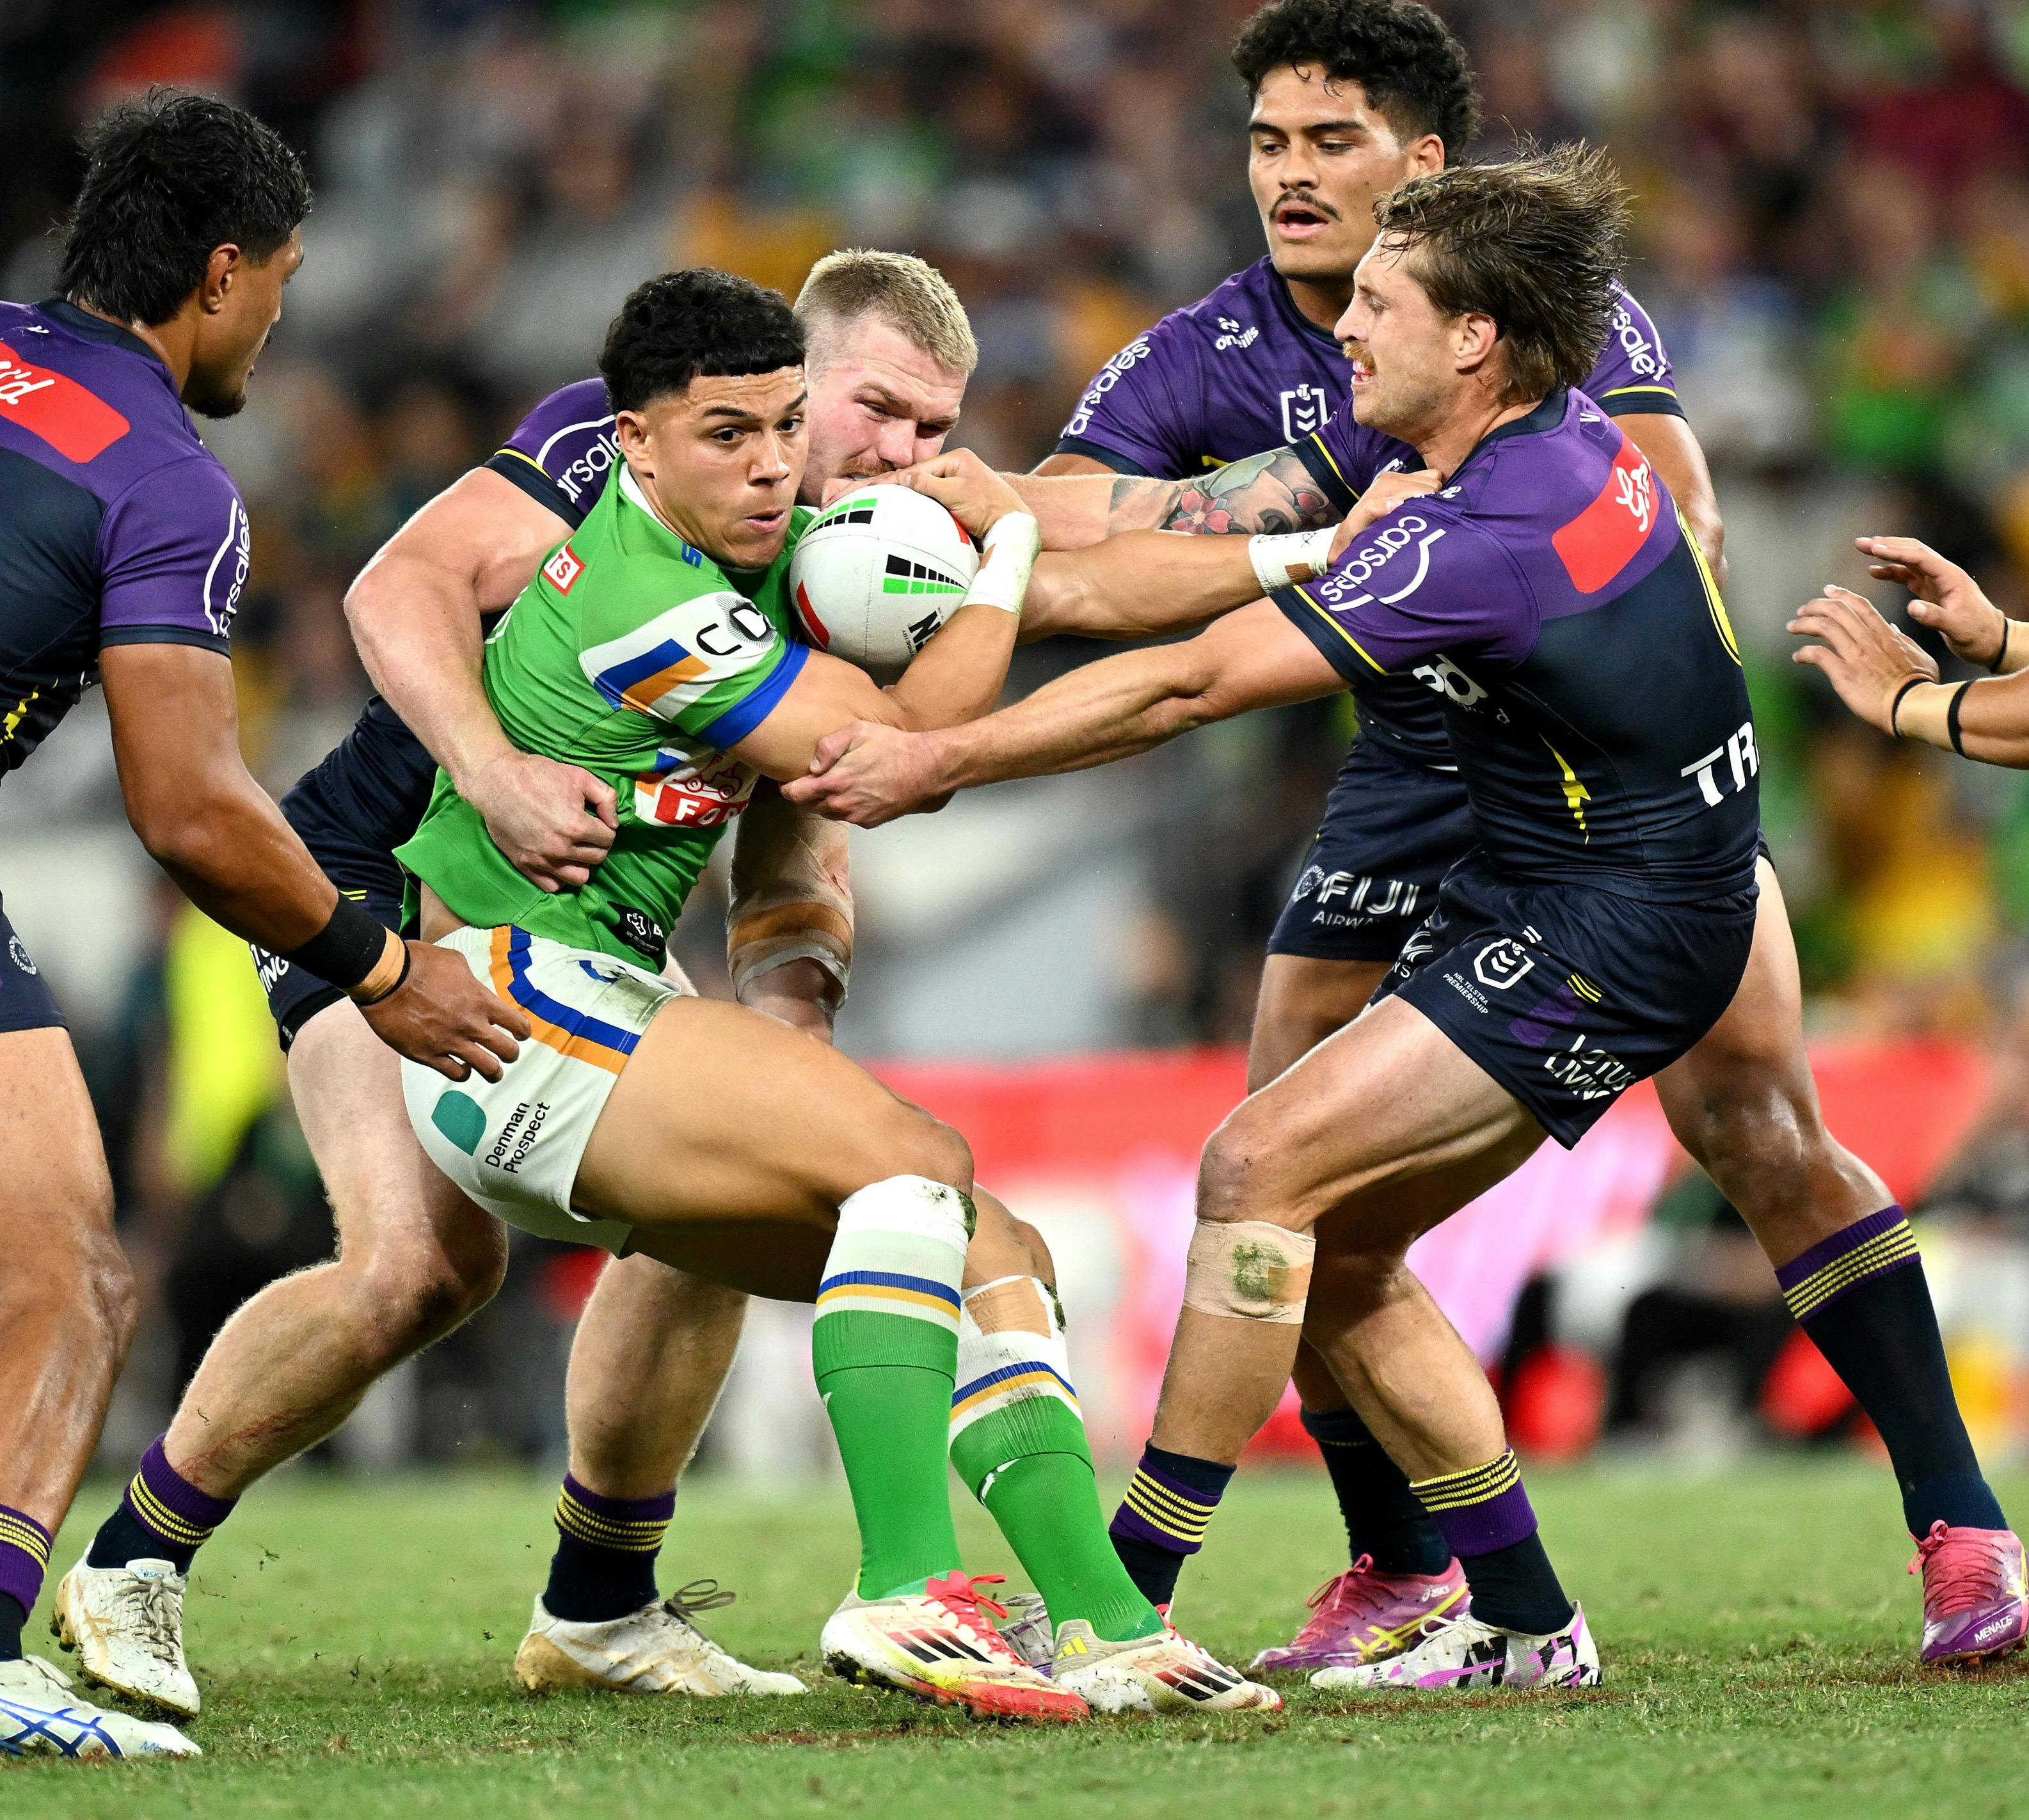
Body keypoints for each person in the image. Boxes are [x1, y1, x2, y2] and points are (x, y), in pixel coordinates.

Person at [797, 1, 2026, 1678]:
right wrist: (1095, 527)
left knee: (1718, 1128)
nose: (1289, 180)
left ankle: (1137, 1587)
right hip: (1432, 760)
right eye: (1264, 143)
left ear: (1422, 175)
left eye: (1329, 145)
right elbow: (1063, 543)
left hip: (1598, 791)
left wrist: (957, 731)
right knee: (1300, 1174)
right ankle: (1420, 1570)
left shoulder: (1522, 337)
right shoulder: (1224, 353)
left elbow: (1196, 645)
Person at [56, 249, 979, 1721]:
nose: (902, 459)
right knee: (414, 1268)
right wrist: (489, 772)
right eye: (876, 412)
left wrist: (790, 982)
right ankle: (131, 1563)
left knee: (719, 1196)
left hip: (587, 922)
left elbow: (810, 791)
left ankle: (602, 1599)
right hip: (387, 869)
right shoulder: (607, 441)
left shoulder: (850, 548)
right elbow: (399, 581)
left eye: (935, 432)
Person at [389, 266, 1282, 1720]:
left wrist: (1301, 558)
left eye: (781, 429)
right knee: (915, 1167)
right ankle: (903, 1591)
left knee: (998, 1245)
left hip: (595, 1010)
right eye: (726, 433)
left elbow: (1074, 575)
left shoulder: (782, 547)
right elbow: (899, 738)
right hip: (509, 1010)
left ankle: (1110, 1625)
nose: (765, 465)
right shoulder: (641, 594)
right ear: (633, 446)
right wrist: (991, 569)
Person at [0, 91, 534, 1762]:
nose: (283, 317)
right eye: (284, 281)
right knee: (70, 1269)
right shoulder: (168, 481)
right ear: (220, 275)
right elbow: (192, 805)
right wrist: (383, 966)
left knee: (60, 1247)